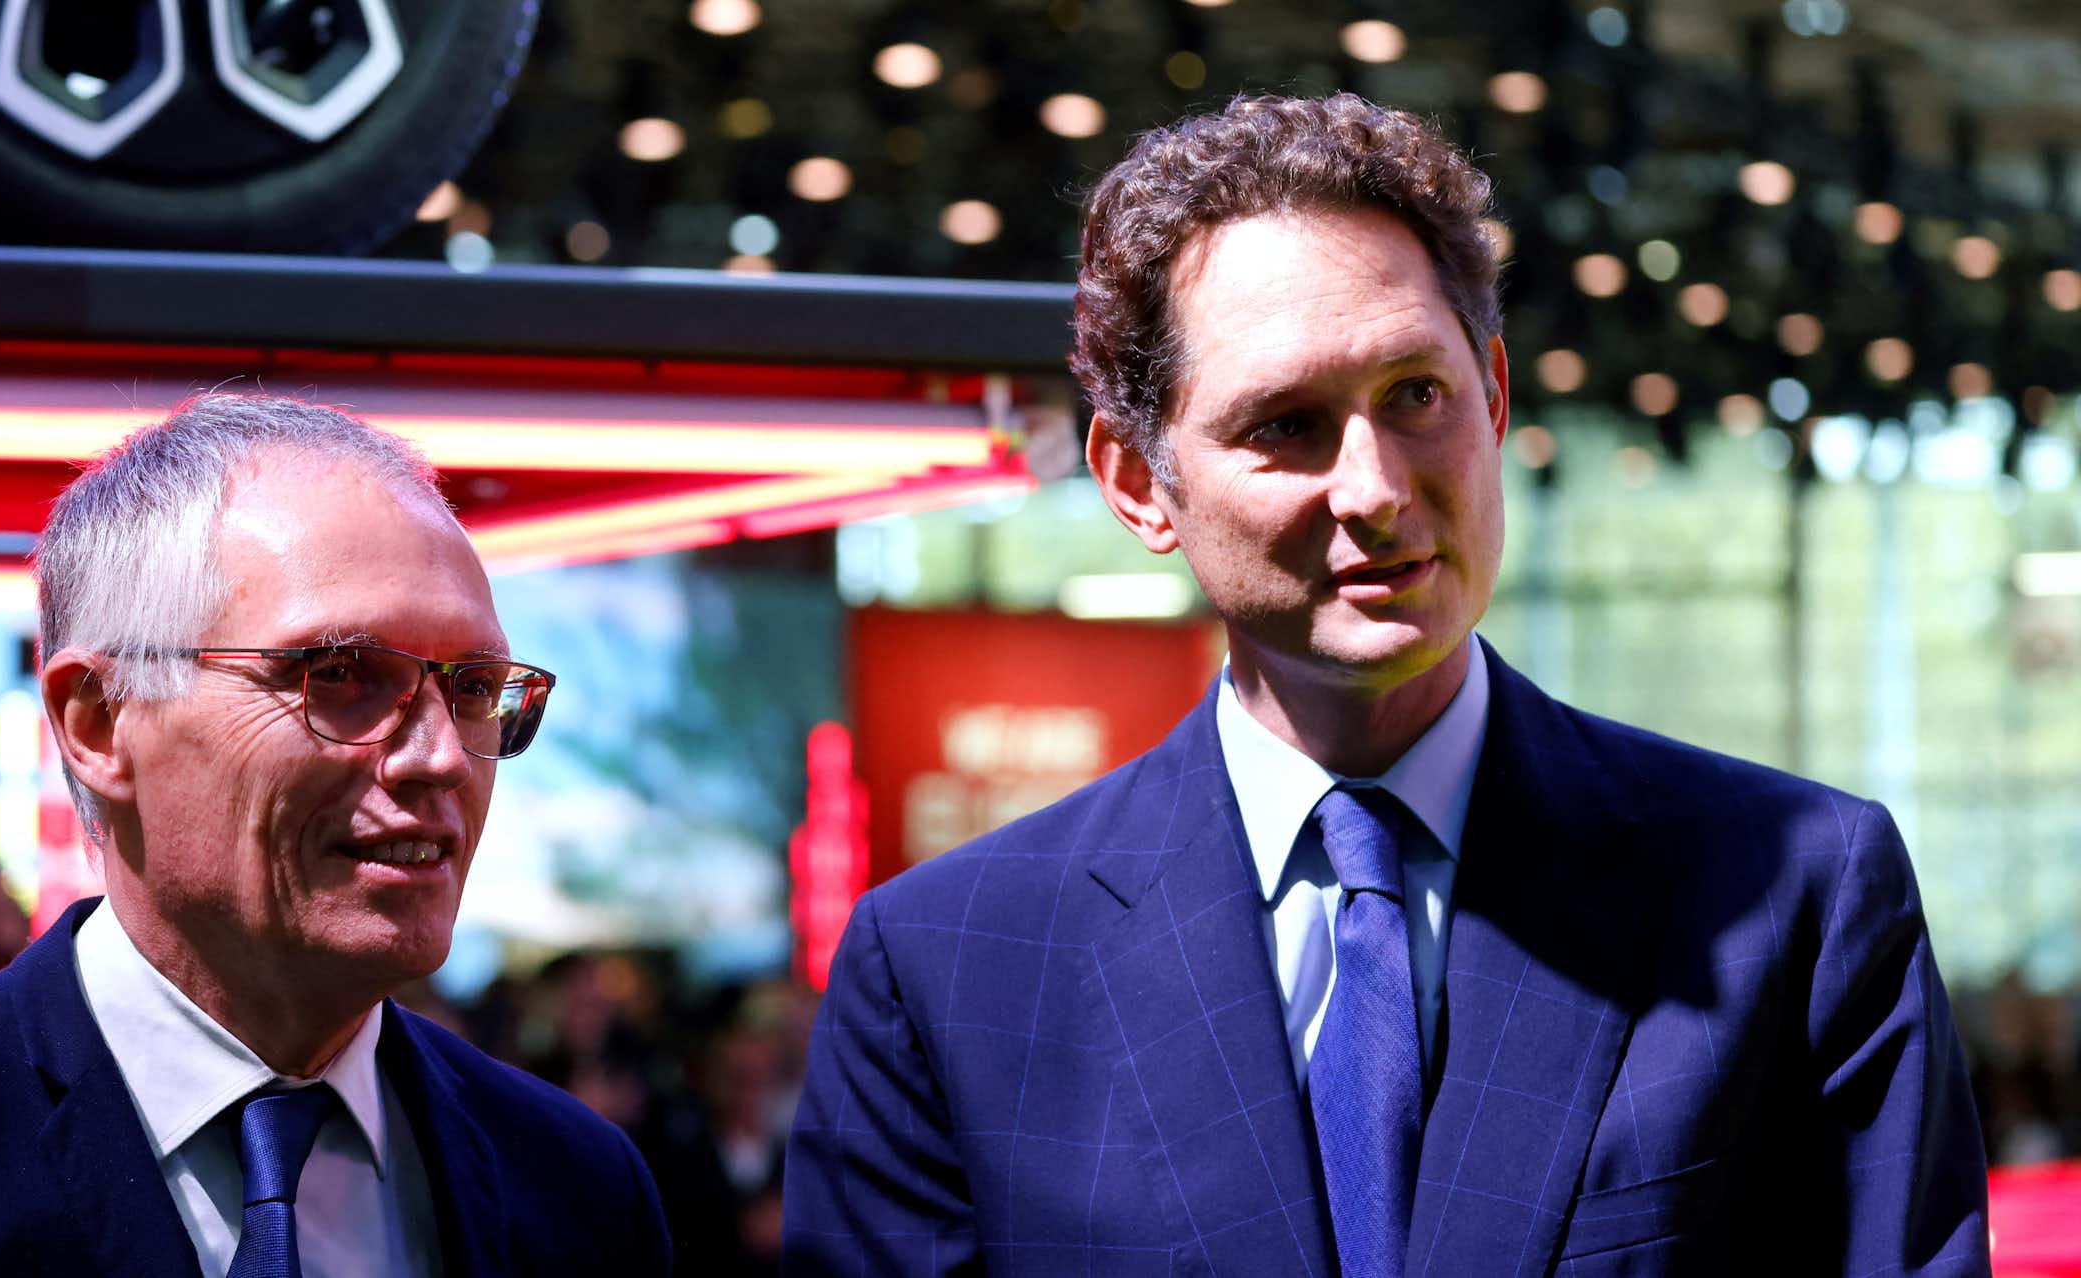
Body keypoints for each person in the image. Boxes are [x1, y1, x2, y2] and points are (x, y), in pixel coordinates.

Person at [783, 94, 1988, 1275]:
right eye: (1288, 424)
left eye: (1415, 396)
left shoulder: (1791, 895)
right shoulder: (949, 971)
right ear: (1138, 483)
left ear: (1496, 398)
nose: (1373, 486)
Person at [0, 394, 672, 1276]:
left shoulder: (577, 1187)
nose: (442, 757)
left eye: (476, 688)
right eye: (342, 676)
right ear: (99, 722)